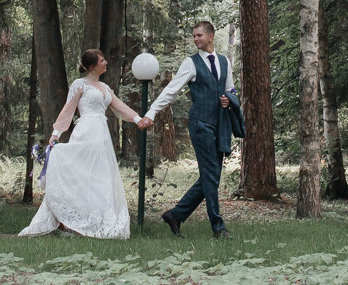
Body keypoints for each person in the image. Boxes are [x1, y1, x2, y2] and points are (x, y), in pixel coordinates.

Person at [19, 48, 143, 239]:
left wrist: (138, 120)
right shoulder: (80, 85)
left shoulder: (106, 88)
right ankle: (63, 221)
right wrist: (56, 134)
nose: (106, 63)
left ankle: (95, 221)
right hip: (85, 131)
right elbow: (68, 110)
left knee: (100, 177)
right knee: (81, 176)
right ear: (92, 66)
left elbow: (120, 107)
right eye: (102, 61)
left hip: (101, 136)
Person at [138, 19, 243, 239]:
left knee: (211, 175)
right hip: (200, 124)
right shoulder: (191, 63)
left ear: (210, 36)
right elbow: (171, 90)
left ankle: (176, 215)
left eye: (199, 35)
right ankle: (218, 227)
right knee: (211, 175)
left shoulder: (224, 62)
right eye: (194, 36)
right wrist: (151, 112)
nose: (195, 39)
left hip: (219, 124)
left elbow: (230, 89)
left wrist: (229, 99)